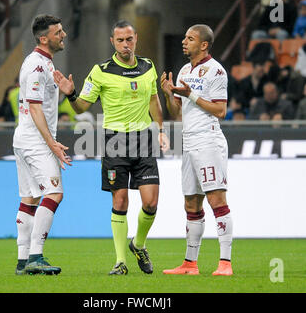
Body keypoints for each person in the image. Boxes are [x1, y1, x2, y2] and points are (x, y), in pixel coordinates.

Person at [54, 20, 170, 275]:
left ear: (136, 38)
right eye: (120, 40)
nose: (125, 44)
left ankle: (138, 245)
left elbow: (154, 101)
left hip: (143, 141)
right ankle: (120, 262)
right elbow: (82, 106)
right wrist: (71, 94)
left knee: (150, 203)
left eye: (129, 39)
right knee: (120, 199)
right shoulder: (101, 70)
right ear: (112, 42)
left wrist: (161, 130)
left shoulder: (148, 66)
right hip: (114, 142)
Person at [160, 24, 233, 276]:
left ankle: (225, 263)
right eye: (184, 37)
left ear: (203, 45)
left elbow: (221, 111)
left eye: (190, 39)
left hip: (208, 141)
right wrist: (170, 94)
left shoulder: (216, 71)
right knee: (191, 202)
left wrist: (191, 96)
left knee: (216, 200)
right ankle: (190, 264)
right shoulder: (183, 70)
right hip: (188, 141)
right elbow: (177, 113)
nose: (184, 41)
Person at [13, 14, 72, 275]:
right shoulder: (37, 65)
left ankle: (23, 260)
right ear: (43, 38)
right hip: (36, 141)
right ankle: (36, 255)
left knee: (31, 198)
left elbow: (41, 105)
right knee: (55, 193)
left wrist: (68, 92)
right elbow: (35, 107)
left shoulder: (43, 64)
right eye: (58, 32)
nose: (64, 35)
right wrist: (53, 144)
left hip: (24, 139)